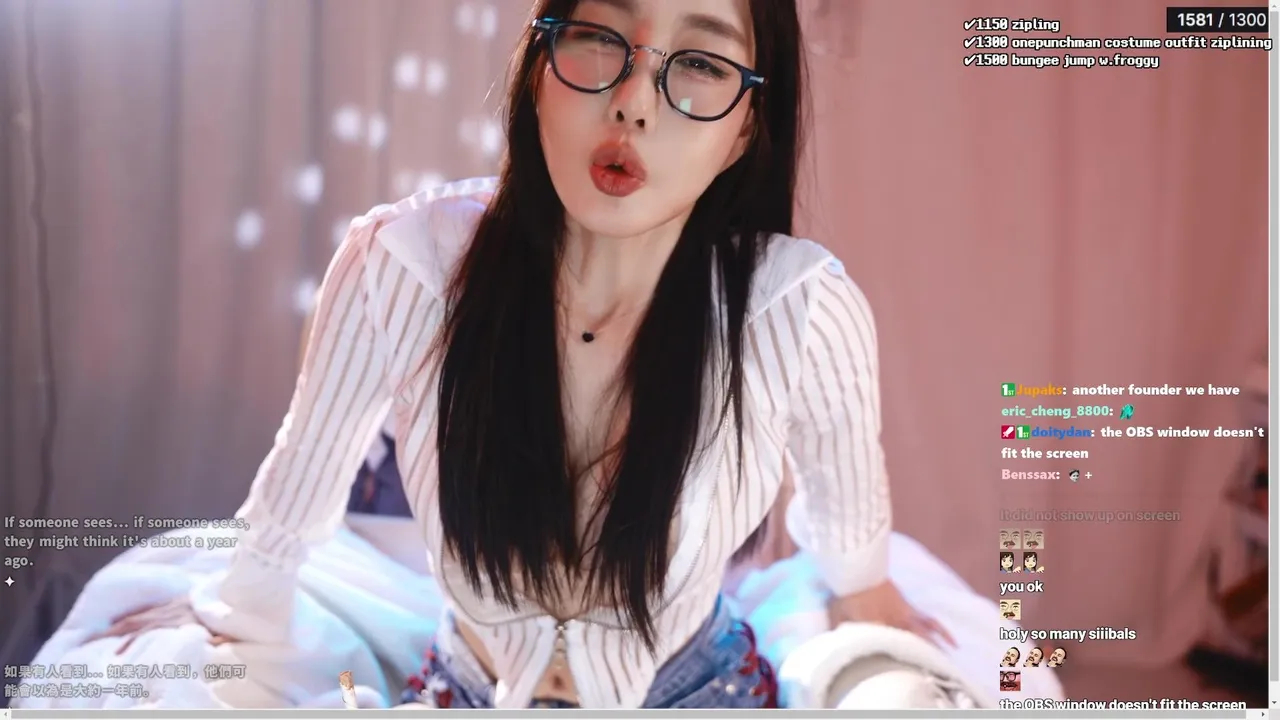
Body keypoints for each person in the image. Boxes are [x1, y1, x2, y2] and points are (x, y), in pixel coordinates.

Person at [89, 0, 950, 708]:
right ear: (539, 65)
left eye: (700, 63)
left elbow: (847, 512)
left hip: (700, 692)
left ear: (745, 127)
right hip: (463, 692)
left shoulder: (796, 308)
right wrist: (229, 620)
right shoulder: (403, 265)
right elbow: (299, 482)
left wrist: (871, 607)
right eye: (601, 37)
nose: (634, 103)